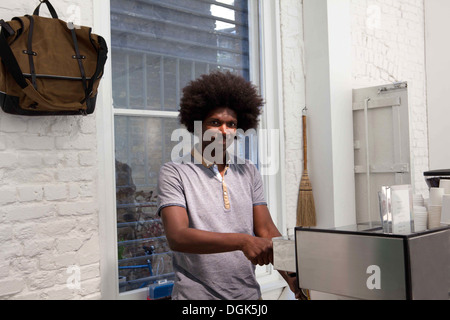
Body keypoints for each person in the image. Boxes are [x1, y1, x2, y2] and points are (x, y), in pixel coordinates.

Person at [157, 71, 302, 300]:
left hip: (248, 297)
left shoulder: (248, 171)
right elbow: (178, 236)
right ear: (198, 126)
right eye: (215, 122)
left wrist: (293, 278)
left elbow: (266, 231)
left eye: (231, 124)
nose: (224, 130)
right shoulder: (175, 172)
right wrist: (242, 241)